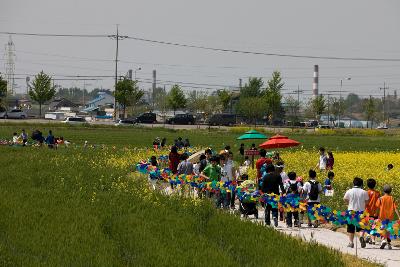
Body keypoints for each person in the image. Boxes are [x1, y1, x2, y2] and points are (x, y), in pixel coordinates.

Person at [343, 177, 369, 248]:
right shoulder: (364, 192)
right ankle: (361, 237)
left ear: (353, 183)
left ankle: (351, 243)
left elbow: (345, 198)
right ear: (361, 184)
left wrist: (349, 204)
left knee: (351, 228)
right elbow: (367, 202)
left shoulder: (349, 191)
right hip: (361, 211)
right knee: (361, 227)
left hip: (351, 211)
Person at [376, 185, 400, 250]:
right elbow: (395, 208)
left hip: (382, 216)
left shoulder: (380, 199)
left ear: (383, 191)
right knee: (388, 230)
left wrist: (376, 214)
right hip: (390, 217)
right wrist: (399, 216)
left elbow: (377, 208)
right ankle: (389, 244)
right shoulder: (392, 198)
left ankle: (383, 240)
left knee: (382, 229)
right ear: (391, 191)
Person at [364, 178, 380, 245]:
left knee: (367, 224)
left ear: (367, 185)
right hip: (375, 212)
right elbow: (379, 203)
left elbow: (365, 202)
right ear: (375, 185)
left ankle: (368, 235)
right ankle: (372, 239)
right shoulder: (378, 193)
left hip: (367, 211)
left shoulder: (366, 192)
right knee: (374, 225)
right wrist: (377, 211)